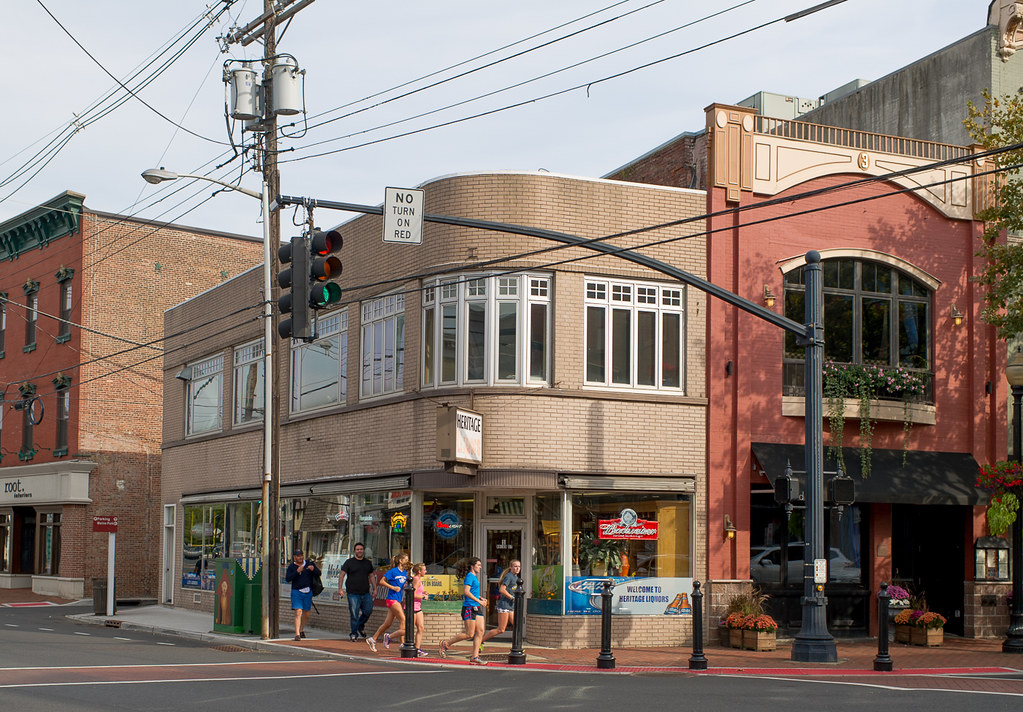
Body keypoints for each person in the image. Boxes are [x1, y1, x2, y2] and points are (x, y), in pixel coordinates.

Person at [439, 556, 488, 665]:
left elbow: (472, 592)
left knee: (480, 631)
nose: (480, 567)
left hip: (476, 606)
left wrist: (480, 598)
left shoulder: (474, 577)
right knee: (469, 634)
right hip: (469, 607)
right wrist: (479, 602)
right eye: (478, 565)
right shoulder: (470, 576)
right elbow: (466, 592)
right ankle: (446, 644)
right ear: (472, 566)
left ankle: (475, 656)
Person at [366, 553, 409, 652]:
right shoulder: (393, 571)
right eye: (405, 559)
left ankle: (373, 639)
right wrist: (392, 587)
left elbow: (404, 585)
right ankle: (402, 643)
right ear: (400, 561)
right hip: (391, 599)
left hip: (398, 599)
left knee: (388, 623)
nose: (407, 561)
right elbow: (381, 581)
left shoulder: (405, 573)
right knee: (404, 620)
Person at [336, 542, 375, 642]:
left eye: (361, 549)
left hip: (365, 593)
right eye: (357, 549)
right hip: (353, 593)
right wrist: (340, 589)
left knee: (368, 611)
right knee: (354, 614)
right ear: (354, 551)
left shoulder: (367, 563)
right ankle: (354, 634)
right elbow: (342, 575)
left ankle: (360, 626)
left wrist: (375, 588)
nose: (359, 551)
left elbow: (371, 576)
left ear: (363, 551)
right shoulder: (349, 562)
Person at [481, 559, 520, 644]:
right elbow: (502, 590)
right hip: (504, 606)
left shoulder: (516, 577)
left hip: (511, 606)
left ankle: (517, 646)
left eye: (519, 566)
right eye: (515, 566)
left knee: (517, 626)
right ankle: (480, 641)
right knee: (501, 629)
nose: (517, 568)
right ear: (511, 567)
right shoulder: (509, 576)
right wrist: (512, 598)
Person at [285, 547, 321, 641]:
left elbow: (319, 573)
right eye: (298, 556)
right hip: (297, 591)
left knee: (307, 614)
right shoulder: (292, 567)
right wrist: (297, 572)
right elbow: (288, 578)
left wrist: (313, 569)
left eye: (301, 555)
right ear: (294, 557)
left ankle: (301, 629)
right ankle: (297, 634)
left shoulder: (309, 564)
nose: (300, 557)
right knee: (298, 612)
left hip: (308, 591)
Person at [410, 562, 428, 657]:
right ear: (419, 571)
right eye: (424, 570)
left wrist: (422, 592)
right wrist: (423, 596)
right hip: (412, 607)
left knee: (421, 628)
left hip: (418, 607)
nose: (426, 571)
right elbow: (412, 594)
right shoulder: (416, 579)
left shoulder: (419, 580)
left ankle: (417, 649)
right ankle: (389, 637)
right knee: (408, 630)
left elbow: (417, 591)